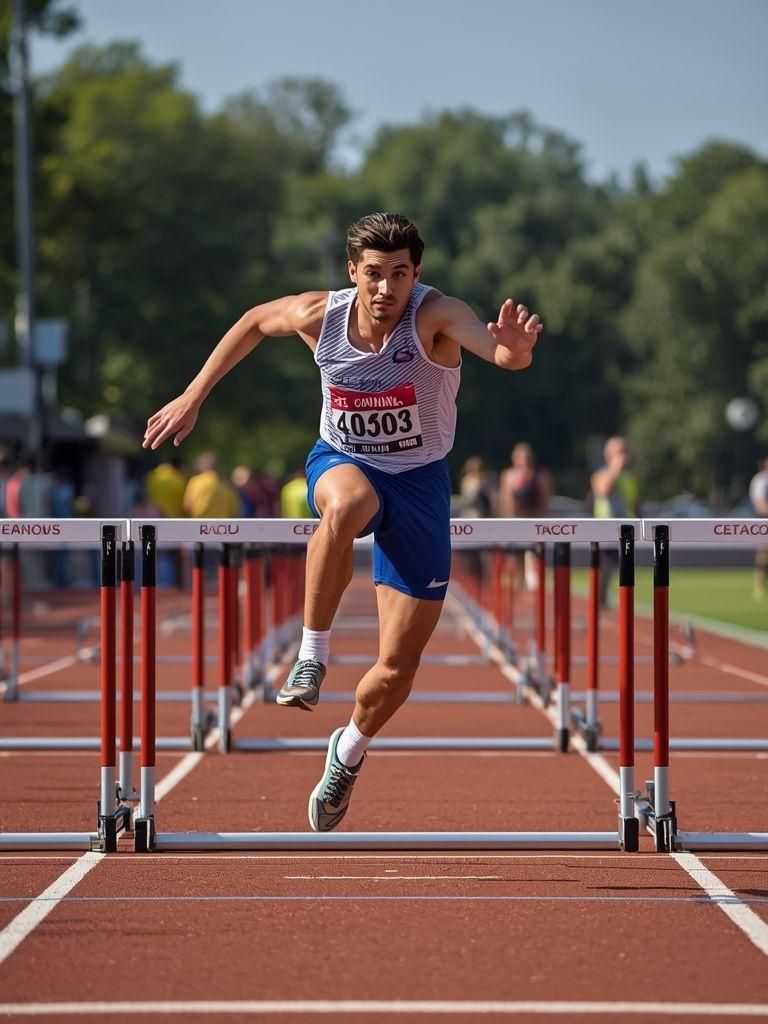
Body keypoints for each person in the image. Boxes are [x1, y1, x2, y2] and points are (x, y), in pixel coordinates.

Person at [143, 211, 542, 832]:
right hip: (343, 460)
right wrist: (193, 396)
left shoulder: (433, 316)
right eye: (375, 274)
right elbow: (253, 321)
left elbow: (488, 345)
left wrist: (512, 353)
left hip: (420, 483)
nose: (387, 289)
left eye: (400, 275)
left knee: (397, 668)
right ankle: (312, 653)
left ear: (417, 276)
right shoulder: (319, 316)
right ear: (353, 272)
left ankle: (348, 750)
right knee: (349, 503)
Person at [591, 436, 641, 607]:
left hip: (625, 531)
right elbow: (604, 490)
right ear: (609, 455)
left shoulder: (630, 478)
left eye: (626, 452)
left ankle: (615, 601)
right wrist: (615, 469)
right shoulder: (600, 475)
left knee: (622, 568)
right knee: (604, 568)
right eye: (621, 452)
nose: (624, 456)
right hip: (604, 530)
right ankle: (599, 600)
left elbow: (635, 505)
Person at [499, 442, 551, 589]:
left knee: (533, 556)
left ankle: (532, 584)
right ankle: (518, 586)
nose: (524, 461)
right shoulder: (509, 475)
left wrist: (541, 525)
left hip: (534, 521)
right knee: (515, 560)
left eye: (526, 457)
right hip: (516, 520)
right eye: (520, 457)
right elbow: (506, 502)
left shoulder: (540, 475)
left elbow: (544, 501)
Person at [182, 453, 240, 519]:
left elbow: (187, 507)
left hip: (200, 526)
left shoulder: (196, 482)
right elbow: (235, 511)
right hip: (222, 527)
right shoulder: (226, 485)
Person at [748, 457, 768, 601]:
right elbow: (760, 503)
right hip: (764, 519)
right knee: (764, 553)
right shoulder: (761, 480)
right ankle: (759, 586)